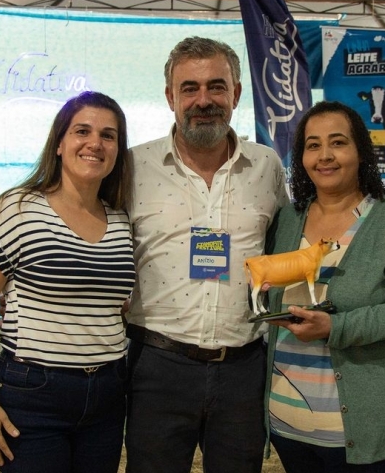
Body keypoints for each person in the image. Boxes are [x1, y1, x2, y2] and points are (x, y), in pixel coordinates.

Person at [124, 36, 289, 473]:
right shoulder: (130, 167)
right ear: (170, 97)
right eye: (190, 88)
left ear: (236, 93)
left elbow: (284, 246)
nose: (204, 100)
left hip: (243, 368)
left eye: (217, 86)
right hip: (157, 367)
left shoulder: (268, 166)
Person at [260, 100, 385, 472]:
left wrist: (336, 328)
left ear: (361, 151)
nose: (324, 156)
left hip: (367, 429)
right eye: (312, 145)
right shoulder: (285, 221)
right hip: (289, 427)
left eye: (338, 142)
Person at [0, 91, 135, 473]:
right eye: (82, 131)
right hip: (33, 391)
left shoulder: (121, 221)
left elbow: (113, 304)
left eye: (108, 135)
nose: (95, 143)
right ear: (59, 143)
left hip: (108, 392)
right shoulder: (17, 208)